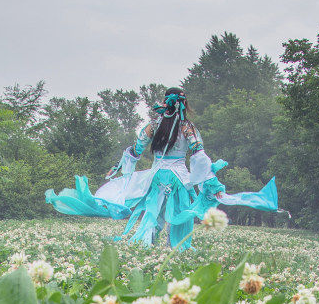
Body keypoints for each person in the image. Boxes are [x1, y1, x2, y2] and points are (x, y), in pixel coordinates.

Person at [45, 88, 280, 247]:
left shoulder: (152, 126)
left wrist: (122, 169)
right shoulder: (188, 128)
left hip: (156, 175)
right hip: (178, 176)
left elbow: (135, 151)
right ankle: (178, 246)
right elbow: (198, 155)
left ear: (166, 103)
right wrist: (207, 178)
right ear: (183, 104)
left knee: (151, 211)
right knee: (180, 213)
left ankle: (146, 242)